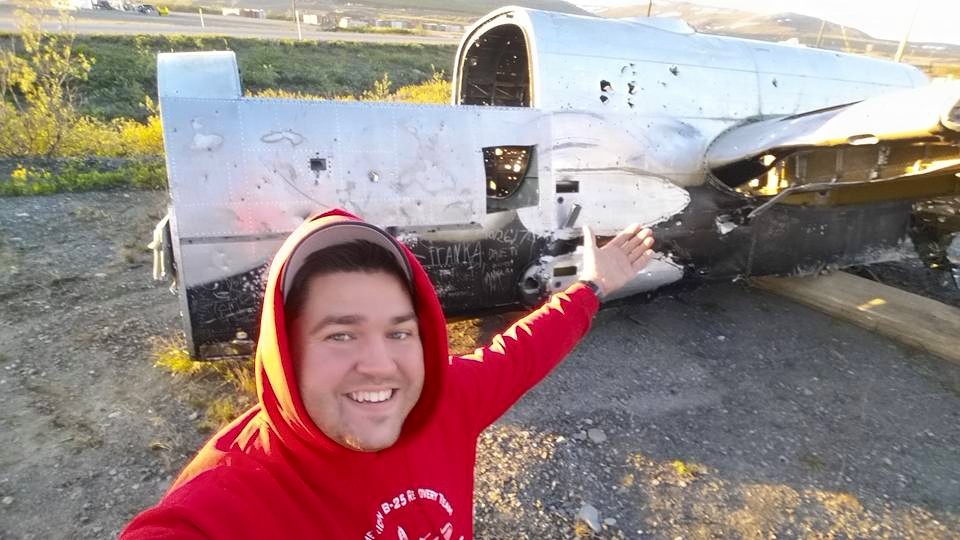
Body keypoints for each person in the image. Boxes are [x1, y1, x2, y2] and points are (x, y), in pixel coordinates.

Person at [121, 209, 655, 539]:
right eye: (340, 333)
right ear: (286, 353)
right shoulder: (233, 497)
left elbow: (523, 350)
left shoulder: (446, 402)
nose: (379, 364)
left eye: (400, 332)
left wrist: (592, 287)